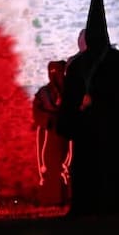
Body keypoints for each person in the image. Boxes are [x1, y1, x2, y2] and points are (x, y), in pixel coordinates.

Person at [56, 0, 119, 216]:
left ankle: (88, 205)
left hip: (89, 126)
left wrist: (84, 108)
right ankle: (116, 205)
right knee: (112, 167)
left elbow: (70, 99)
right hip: (111, 127)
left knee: (90, 168)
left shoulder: (79, 64)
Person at [31, 59, 71, 207]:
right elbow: (37, 111)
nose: (55, 75)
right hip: (49, 134)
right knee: (50, 166)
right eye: (52, 72)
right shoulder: (43, 93)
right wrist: (48, 120)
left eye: (58, 72)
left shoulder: (70, 91)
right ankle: (52, 198)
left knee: (67, 163)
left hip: (67, 131)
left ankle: (69, 196)